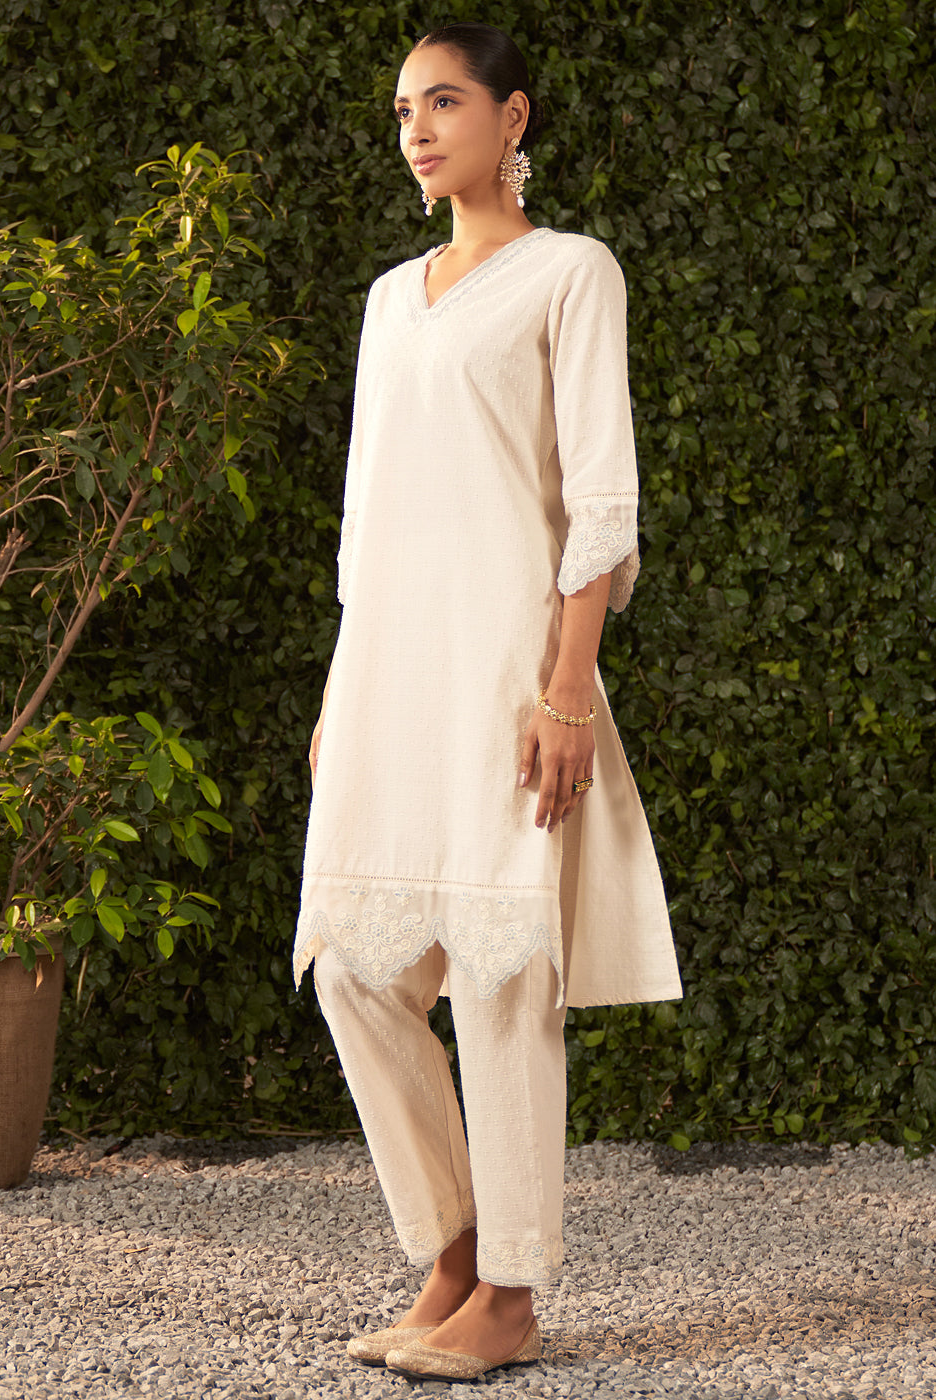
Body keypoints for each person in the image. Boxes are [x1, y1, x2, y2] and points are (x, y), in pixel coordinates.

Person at [293, 21, 682, 1384]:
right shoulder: (387, 301)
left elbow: (601, 498)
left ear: (512, 118)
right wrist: (343, 690)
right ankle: (452, 1251)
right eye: (404, 107)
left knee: (506, 977)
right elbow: (368, 518)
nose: (416, 127)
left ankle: (510, 1294)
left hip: (514, 674)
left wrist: (566, 692)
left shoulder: (572, 273)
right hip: (390, 673)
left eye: (444, 101)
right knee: (354, 969)